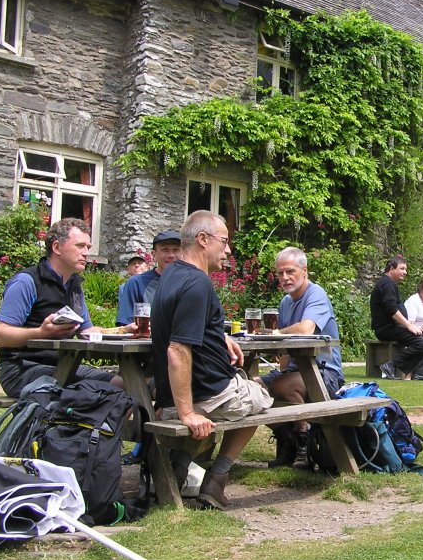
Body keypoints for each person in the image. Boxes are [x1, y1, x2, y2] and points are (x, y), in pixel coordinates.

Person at [151, 210, 273, 509]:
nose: (228, 250)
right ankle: (217, 477)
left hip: (172, 396)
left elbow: (183, 325)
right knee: (264, 395)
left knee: (246, 390)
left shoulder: (171, 275)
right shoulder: (198, 284)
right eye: (224, 240)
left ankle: (181, 465)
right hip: (207, 396)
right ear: (202, 239)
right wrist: (187, 414)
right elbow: (177, 351)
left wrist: (219, 335)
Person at [0, 218, 133, 398]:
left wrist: (124, 331)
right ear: (57, 247)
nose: (86, 253)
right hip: (22, 369)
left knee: (127, 387)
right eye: (80, 246)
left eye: (88, 248)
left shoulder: (74, 284)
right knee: (108, 394)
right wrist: (40, 332)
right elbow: (0, 335)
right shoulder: (26, 282)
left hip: (65, 366)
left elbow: (86, 331)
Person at [260, 247, 346, 467]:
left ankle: (303, 442)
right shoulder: (285, 302)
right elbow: (285, 350)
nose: (285, 278)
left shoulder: (316, 294)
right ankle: (286, 437)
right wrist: (278, 372)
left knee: (284, 386)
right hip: (295, 371)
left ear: (304, 270)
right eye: (280, 273)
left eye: (290, 271)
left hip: (325, 372)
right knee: (250, 388)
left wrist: (278, 332)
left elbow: (306, 329)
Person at [369, 256, 423, 380]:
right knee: (422, 343)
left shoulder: (390, 284)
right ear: (391, 268)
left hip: (394, 327)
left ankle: (419, 374)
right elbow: (392, 310)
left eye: (406, 269)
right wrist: (409, 325)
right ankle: (391, 365)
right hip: (386, 329)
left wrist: (412, 326)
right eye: (402, 268)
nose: (405, 272)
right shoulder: (386, 284)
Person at [116, 230, 182, 325]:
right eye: (165, 250)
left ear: (183, 253)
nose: (171, 255)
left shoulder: (191, 284)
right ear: (154, 255)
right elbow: (126, 325)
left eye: (176, 250)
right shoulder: (137, 284)